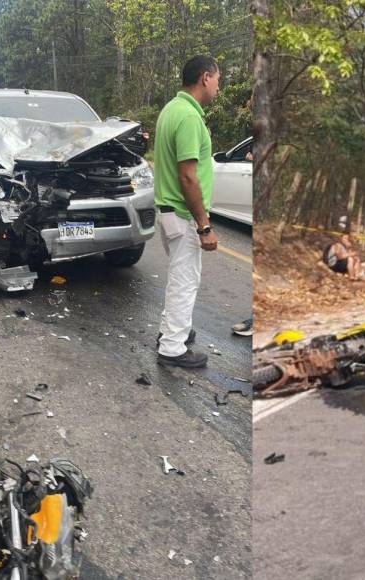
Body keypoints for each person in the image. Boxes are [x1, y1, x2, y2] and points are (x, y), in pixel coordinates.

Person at [154, 55, 221, 368]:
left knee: (178, 277)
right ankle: (172, 348)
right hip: (182, 215)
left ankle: (171, 330)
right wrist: (204, 226)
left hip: (168, 212)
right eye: (218, 80)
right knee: (184, 281)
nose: (218, 87)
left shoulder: (171, 109)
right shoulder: (190, 118)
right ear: (205, 77)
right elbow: (188, 176)